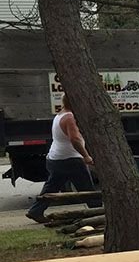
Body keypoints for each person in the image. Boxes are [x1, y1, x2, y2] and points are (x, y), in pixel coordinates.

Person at [25, 93, 98, 223]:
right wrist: (86, 156)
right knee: (87, 189)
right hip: (70, 159)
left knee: (52, 186)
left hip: (55, 158)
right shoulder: (69, 117)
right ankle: (97, 213)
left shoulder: (60, 115)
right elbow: (75, 139)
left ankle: (35, 211)